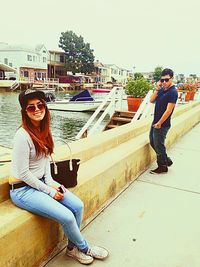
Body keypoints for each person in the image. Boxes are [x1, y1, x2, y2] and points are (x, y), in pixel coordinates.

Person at [9, 89, 109, 265]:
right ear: (24, 111)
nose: (37, 109)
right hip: (23, 190)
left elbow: (46, 160)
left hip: (41, 183)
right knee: (67, 216)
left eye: (40, 105)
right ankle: (85, 248)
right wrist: (49, 191)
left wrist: (50, 182)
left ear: (45, 107)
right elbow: (24, 173)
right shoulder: (22, 136)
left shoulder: (44, 130)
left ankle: (71, 249)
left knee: (77, 206)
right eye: (31, 107)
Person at [149, 68, 178, 174]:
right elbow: (151, 100)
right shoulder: (161, 89)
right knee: (153, 142)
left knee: (159, 145)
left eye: (167, 80)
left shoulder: (173, 92)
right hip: (155, 122)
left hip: (162, 124)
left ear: (172, 79)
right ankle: (166, 160)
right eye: (162, 80)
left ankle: (162, 166)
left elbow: (169, 110)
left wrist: (160, 123)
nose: (164, 82)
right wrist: (157, 88)